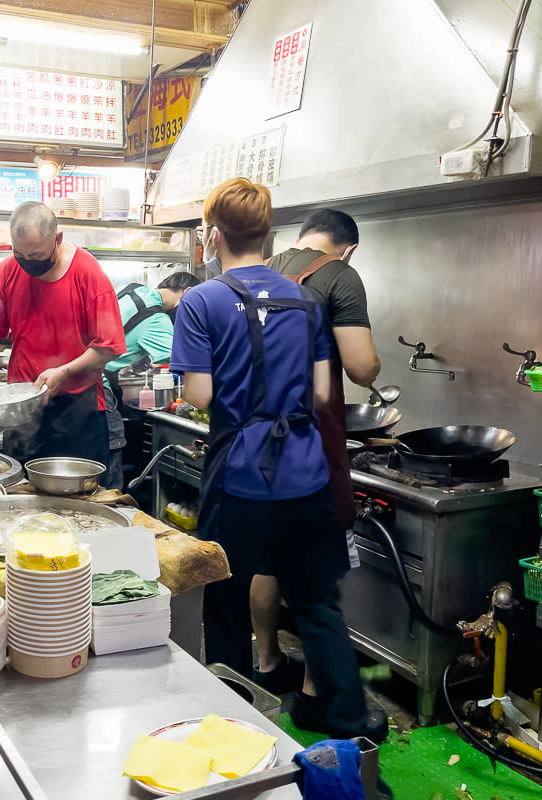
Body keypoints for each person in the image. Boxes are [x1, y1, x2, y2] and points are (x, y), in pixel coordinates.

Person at [171, 178, 385, 743]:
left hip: (238, 473)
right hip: (305, 474)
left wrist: (245, 399)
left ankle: (234, 734)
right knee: (316, 601)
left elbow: (198, 395)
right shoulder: (308, 299)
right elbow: (321, 392)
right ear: (269, 236)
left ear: (213, 235)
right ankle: (345, 736)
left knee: (226, 602)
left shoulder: (201, 300)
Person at [250, 209, 381, 694]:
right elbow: (362, 367)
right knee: (316, 568)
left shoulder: (260, 268)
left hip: (257, 442)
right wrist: (374, 365)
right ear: (347, 248)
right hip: (311, 444)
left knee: (268, 558)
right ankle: (312, 689)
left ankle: (266, 661)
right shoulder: (340, 275)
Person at [0, 202, 125, 465]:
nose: (27, 264)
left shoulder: (88, 274)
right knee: (22, 493)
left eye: (37, 257)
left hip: (76, 409)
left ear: (57, 239)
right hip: (20, 408)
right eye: (20, 255)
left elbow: (109, 345)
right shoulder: (7, 272)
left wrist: (64, 371)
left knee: (79, 499)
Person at [102, 271, 201, 490]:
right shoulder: (158, 320)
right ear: (189, 294)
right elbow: (180, 367)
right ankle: (112, 510)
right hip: (100, 389)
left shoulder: (133, 289)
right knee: (113, 448)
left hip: (81, 381)